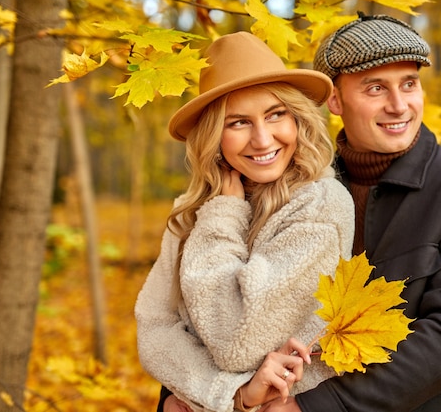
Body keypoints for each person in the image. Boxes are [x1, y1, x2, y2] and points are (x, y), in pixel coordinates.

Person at [259, 13, 441, 412]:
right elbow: (222, 289)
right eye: (375, 88)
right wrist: (186, 393)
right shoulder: (295, 186)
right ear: (335, 100)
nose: (399, 106)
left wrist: (321, 407)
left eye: (409, 84)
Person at [135, 31, 354, 412]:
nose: (262, 138)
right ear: (212, 137)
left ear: (297, 119)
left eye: (275, 115)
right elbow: (153, 330)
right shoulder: (192, 212)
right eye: (238, 123)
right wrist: (230, 395)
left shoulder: (320, 205)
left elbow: (237, 340)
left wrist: (223, 215)